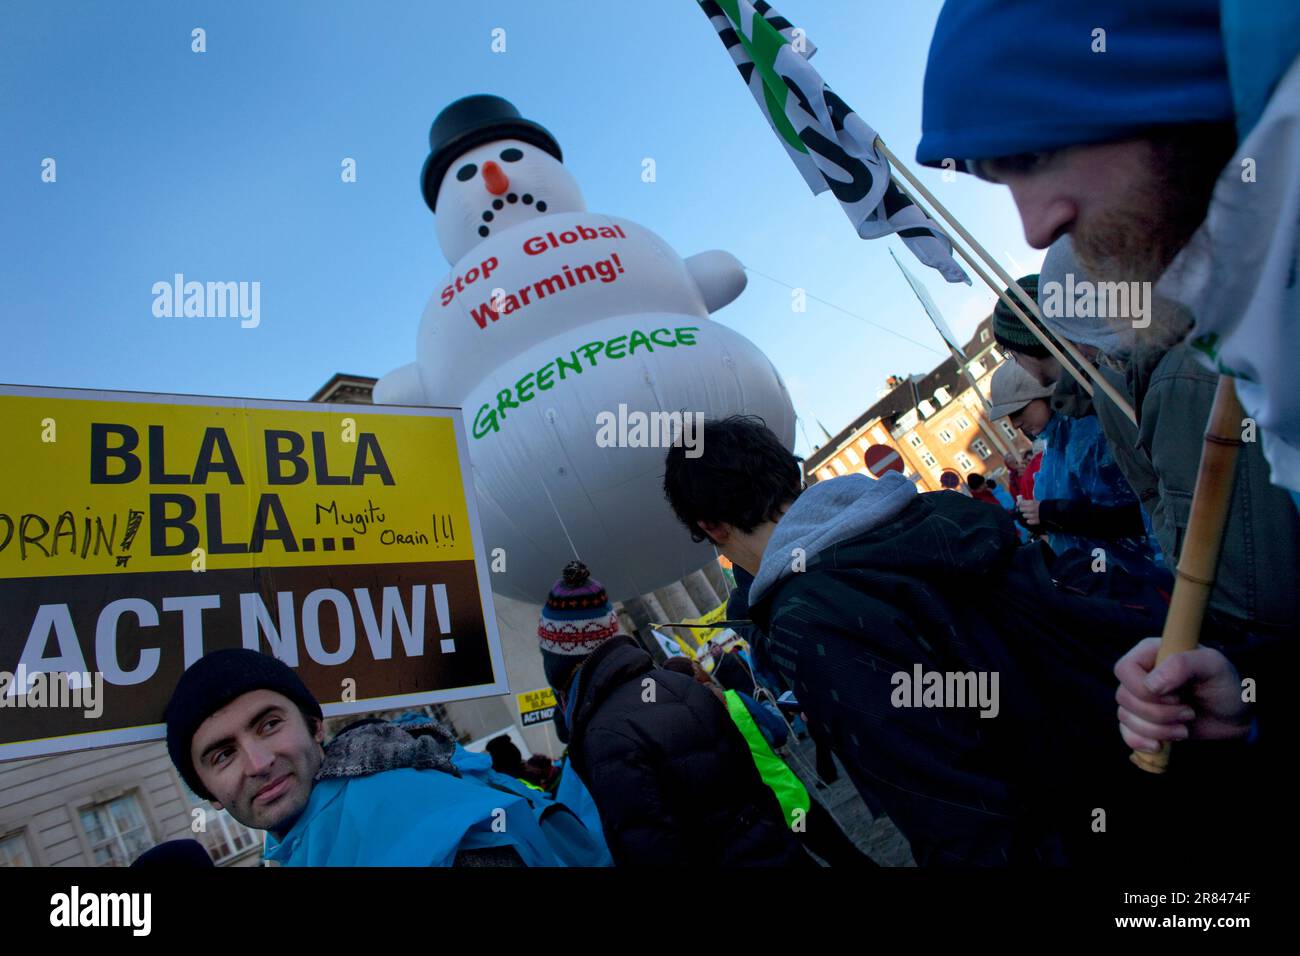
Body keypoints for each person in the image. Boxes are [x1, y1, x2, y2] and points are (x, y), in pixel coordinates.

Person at [664, 415, 1180, 867]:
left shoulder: (808, 617)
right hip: (1133, 759)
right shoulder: (929, 510)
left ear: (711, 527)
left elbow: (948, 809)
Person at [164, 648, 559, 866]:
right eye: (223, 755)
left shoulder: (427, 814)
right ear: (208, 794)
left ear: (315, 726)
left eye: (268, 725)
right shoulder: (297, 848)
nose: (258, 763)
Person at [538, 560, 806, 867]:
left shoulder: (603, 734)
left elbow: (651, 848)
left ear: (560, 664)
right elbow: (753, 788)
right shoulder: (681, 684)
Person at [986, 360, 1156, 574]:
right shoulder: (1058, 444)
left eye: (1019, 410)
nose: (1016, 424)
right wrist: (1035, 518)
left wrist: (1049, 512)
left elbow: (1133, 515)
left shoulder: (1087, 435)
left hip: (1139, 572)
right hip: (1109, 573)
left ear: (1044, 393)